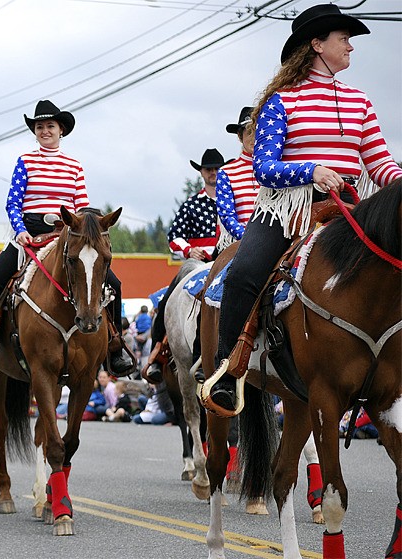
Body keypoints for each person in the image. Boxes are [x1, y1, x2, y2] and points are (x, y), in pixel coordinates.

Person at [207, 4, 402, 412]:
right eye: (343, 38)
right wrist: (312, 170)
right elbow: (264, 168)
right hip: (287, 209)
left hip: (350, 210)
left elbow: (380, 164)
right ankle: (228, 369)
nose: (351, 45)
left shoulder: (361, 103)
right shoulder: (282, 102)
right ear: (317, 44)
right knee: (243, 273)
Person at [0, 100, 132, 377]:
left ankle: (114, 346)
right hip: (28, 234)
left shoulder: (74, 166)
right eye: (40, 127)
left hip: (66, 234)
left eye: (50, 126)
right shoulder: (25, 161)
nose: (45, 131)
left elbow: (82, 206)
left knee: (112, 282)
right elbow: (13, 202)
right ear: (35, 132)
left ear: (61, 131)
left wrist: (85, 229)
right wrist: (20, 230)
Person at [146, 148, 225, 383]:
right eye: (208, 169)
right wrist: (190, 250)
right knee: (165, 302)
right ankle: (156, 355)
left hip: (228, 258)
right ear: (201, 173)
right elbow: (174, 236)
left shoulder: (232, 199)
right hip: (196, 264)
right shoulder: (191, 205)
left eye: (216, 169)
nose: (213, 173)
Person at [215, 106, 259, 252]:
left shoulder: (278, 170)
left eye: (257, 131)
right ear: (240, 137)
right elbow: (227, 215)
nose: (253, 138)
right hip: (239, 246)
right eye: (249, 132)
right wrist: (248, 238)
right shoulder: (226, 172)